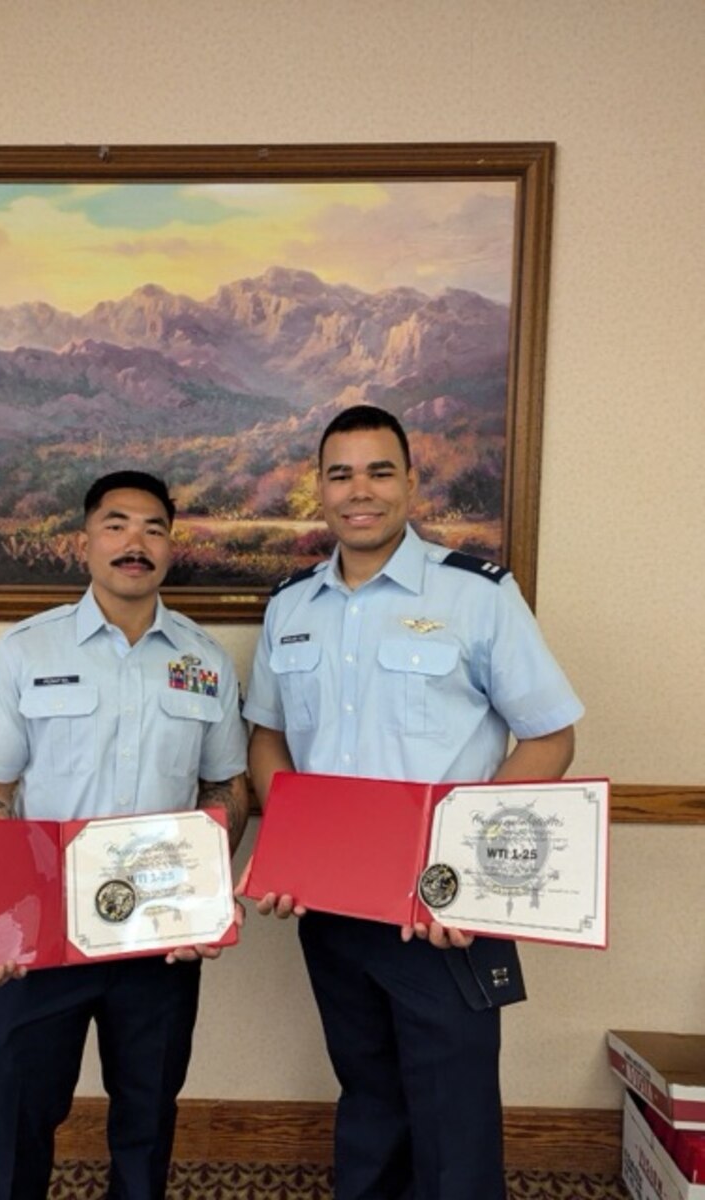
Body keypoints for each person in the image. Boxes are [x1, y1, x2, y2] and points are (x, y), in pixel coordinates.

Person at [242, 405, 583, 1200]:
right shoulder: (291, 607)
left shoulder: (478, 595)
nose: (360, 491)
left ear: (410, 482)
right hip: (329, 908)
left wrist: (468, 870)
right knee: (368, 1104)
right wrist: (288, 840)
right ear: (318, 490)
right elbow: (268, 738)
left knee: (453, 1118)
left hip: (441, 913)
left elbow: (550, 738)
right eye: (340, 474)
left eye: (379, 471)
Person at [0, 469, 249, 1200]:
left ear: (171, 549)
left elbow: (225, 788)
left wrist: (203, 898)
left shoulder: (204, 661)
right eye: (115, 525)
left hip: (157, 939)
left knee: (147, 1124)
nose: (134, 542)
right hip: (41, 935)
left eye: (153, 528)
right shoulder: (28, 651)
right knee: (19, 1116)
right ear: (83, 545)